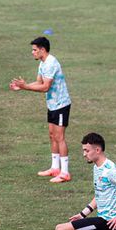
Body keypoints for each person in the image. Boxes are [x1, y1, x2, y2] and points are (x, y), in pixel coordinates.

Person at [10, 37, 72, 183]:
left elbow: (45, 87)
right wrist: (22, 86)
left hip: (61, 105)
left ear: (43, 50)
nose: (32, 53)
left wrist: (25, 86)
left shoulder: (51, 63)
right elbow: (38, 82)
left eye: (34, 50)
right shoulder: (43, 63)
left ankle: (65, 172)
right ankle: (55, 168)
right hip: (52, 105)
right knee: (52, 135)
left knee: (59, 137)